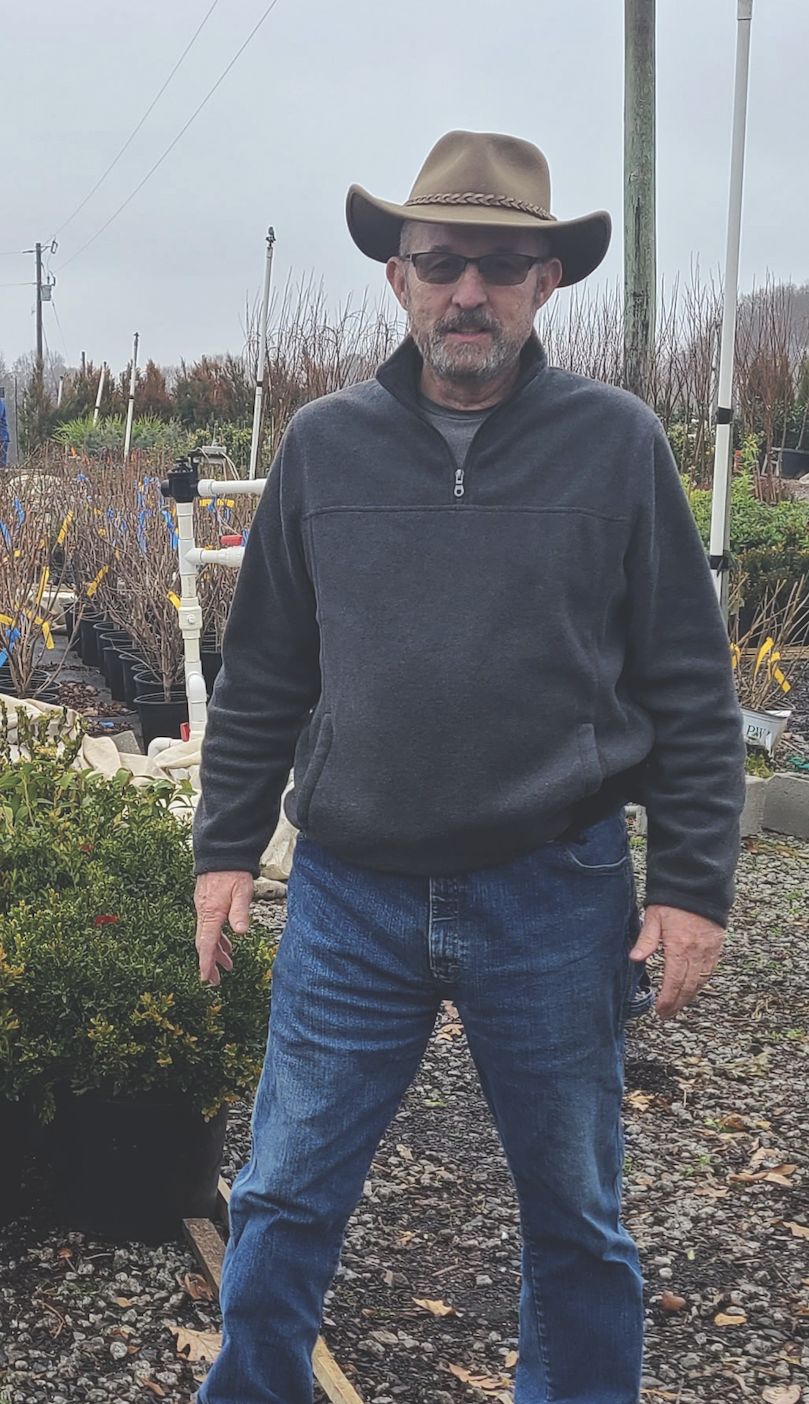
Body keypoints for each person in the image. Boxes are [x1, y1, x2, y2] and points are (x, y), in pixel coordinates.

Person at [190, 131, 742, 1404]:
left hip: (555, 892)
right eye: (442, 262)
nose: (468, 292)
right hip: (350, 897)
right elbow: (266, 671)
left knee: (576, 1221)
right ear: (398, 277)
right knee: (279, 1197)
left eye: (501, 265)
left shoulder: (618, 447)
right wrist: (225, 850)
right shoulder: (326, 451)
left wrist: (694, 885)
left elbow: (689, 690)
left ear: (547, 282)